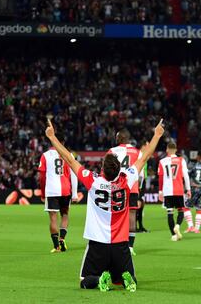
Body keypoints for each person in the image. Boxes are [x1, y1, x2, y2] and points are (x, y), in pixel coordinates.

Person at [45, 118, 164, 292]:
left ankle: (100, 278)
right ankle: (125, 279)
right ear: (119, 170)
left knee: (84, 280)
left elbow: (70, 160)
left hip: (98, 243)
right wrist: (157, 135)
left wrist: (52, 138)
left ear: (103, 169)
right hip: (121, 244)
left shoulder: (93, 181)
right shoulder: (127, 179)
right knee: (128, 279)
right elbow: (144, 157)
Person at [108, 130, 143, 256]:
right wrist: (140, 189)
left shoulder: (112, 151)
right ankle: (130, 247)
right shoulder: (138, 152)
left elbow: (107, 170)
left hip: (117, 187)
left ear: (120, 138)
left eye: (117, 137)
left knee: (116, 215)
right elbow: (141, 174)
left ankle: (116, 243)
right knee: (132, 215)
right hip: (132, 187)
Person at [38, 146, 78, 253]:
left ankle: (56, 247)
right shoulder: (68, 154)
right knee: (64, 215)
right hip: (66, 190)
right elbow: (74, 174)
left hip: (51, 191)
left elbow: (42, 177)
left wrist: (42, 193)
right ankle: (62, 239)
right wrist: (74, 194)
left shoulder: (45, 155)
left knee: (53, 218)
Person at [158, 142, 191, 241]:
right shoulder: (181, 160)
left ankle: (173, 235)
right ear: (176, 150)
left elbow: (160, 177)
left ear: (167, 149)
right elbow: (186, 176)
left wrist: (160, 191)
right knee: (181, 210)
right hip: (178, 189)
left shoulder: (162, 161)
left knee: (169, 213)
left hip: (167, 191)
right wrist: (188, 189)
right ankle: (177, 225)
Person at [183, 151, 201, 233]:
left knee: (186, 206)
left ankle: (190, 226)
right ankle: (197, 228)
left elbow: (187, 175)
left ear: (199, 156)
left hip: (194, 188)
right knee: (199, 208)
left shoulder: (194, 165)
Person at [136, 142, 149, 233]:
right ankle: (134, 226)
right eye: (147, 145)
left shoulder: (144, 156)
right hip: (138, 182)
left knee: (141, 205)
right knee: (137, 204)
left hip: (142, 182)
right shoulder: (139, 155)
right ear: (143, 146)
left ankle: (140, 226)